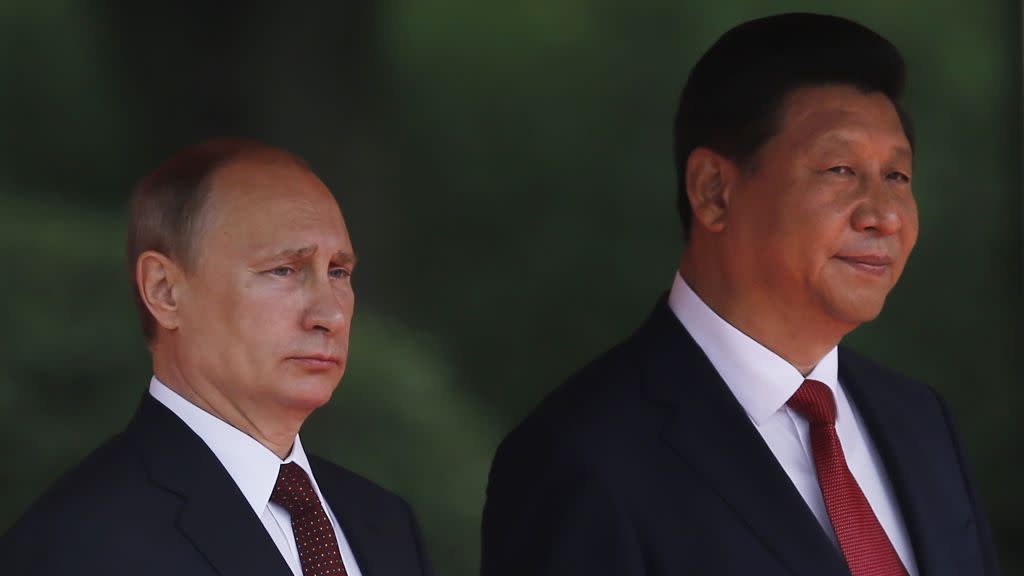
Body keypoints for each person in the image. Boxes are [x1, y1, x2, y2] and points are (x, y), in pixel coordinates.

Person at [481, 13, 1000, 576]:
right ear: (714, 193)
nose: (883, 216)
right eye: (840, 168)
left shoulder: (921, 422)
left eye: (897, 177)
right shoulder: (580, 457)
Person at [0, 140, 434, 576]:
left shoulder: (385, 524)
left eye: (338, 272)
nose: (331, 315)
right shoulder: (79, 546)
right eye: (283, 270)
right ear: (165, 291)